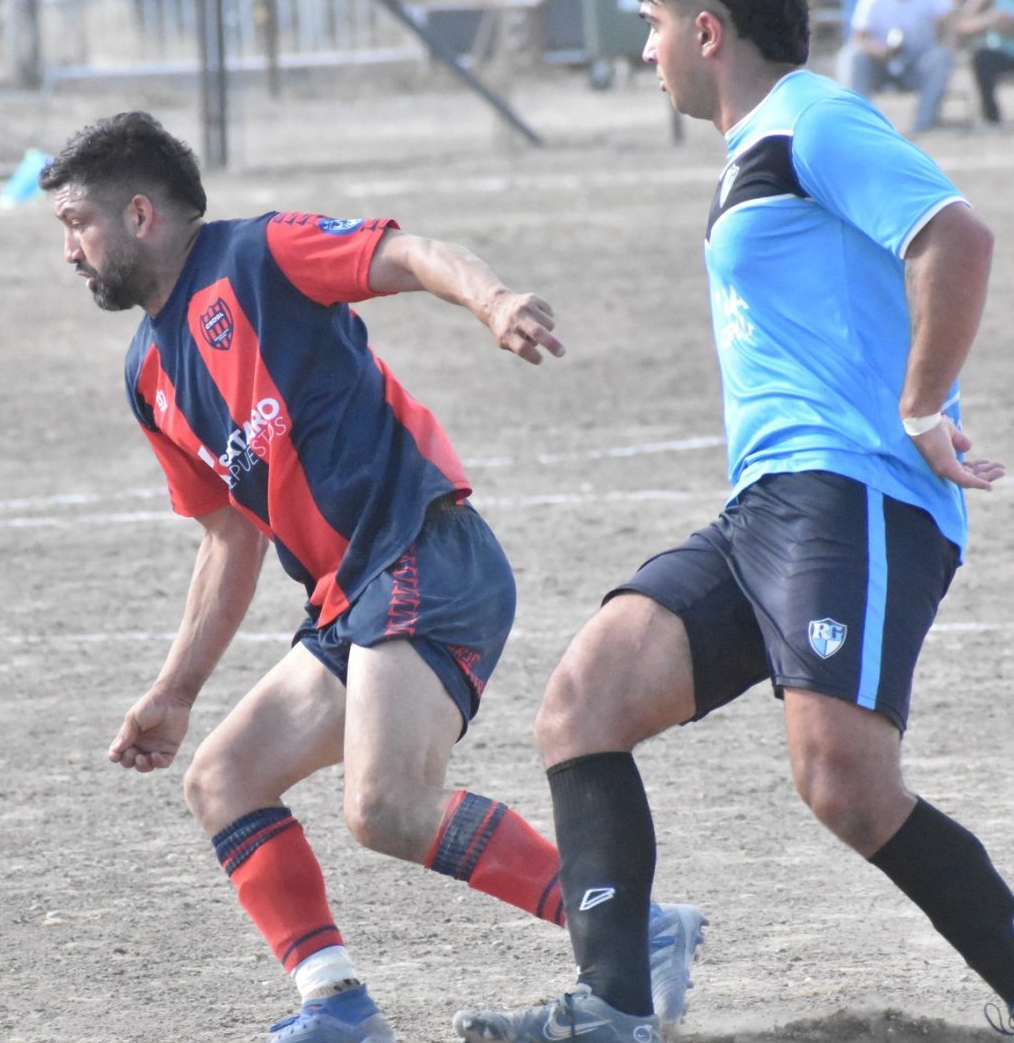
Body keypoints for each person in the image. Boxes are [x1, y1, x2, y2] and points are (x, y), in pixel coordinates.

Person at [452, 0, 1014, 1042]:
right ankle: (611, 1006)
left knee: (846, 787)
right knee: (584, 704)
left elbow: (955, 236)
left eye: (656, 25)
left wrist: (920, 408)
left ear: (707, 32)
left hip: (850, 494)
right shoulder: (753, 146)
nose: (647, 49)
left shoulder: (815, 121)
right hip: (766, 505)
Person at [38, 111, 707, 1043]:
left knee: (384, 804)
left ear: (141, 213)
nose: (69, 249)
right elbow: (228, 541)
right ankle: (340, 1005)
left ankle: (624, 934)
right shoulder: (149, 372)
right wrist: (174, 692)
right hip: (353, 598)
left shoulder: (259, 256)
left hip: (423, 552)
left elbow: (408, 253)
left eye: (77, 223)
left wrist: (493, 300)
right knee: (223, 779)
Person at [838, 0, 956, 132]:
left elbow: (950, 23)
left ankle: (924, 125)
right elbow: (857, 38)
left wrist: (944, 45)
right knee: (853, 57)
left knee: (941, 58)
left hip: (917, 63)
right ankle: (859, 124)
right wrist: (880, 50)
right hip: (880, 62)